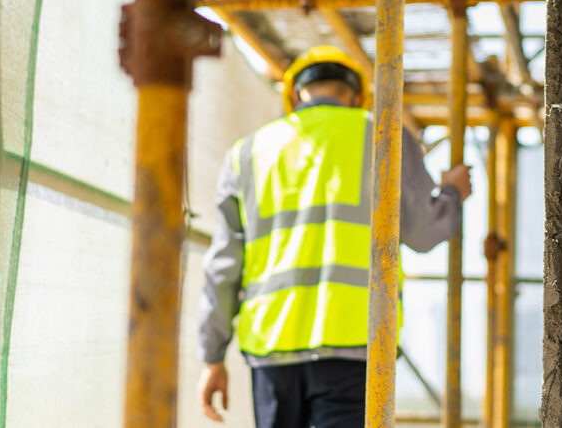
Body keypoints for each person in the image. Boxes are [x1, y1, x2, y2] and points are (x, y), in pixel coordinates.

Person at [196, 45, 472, 427]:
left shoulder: (247, 153)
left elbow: (223, 266)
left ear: (293, 94)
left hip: (272, 348)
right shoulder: (383, 137)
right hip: (356, 345)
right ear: (358, 95)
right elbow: (425, 232)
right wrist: (453, 193)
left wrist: (212, 357)